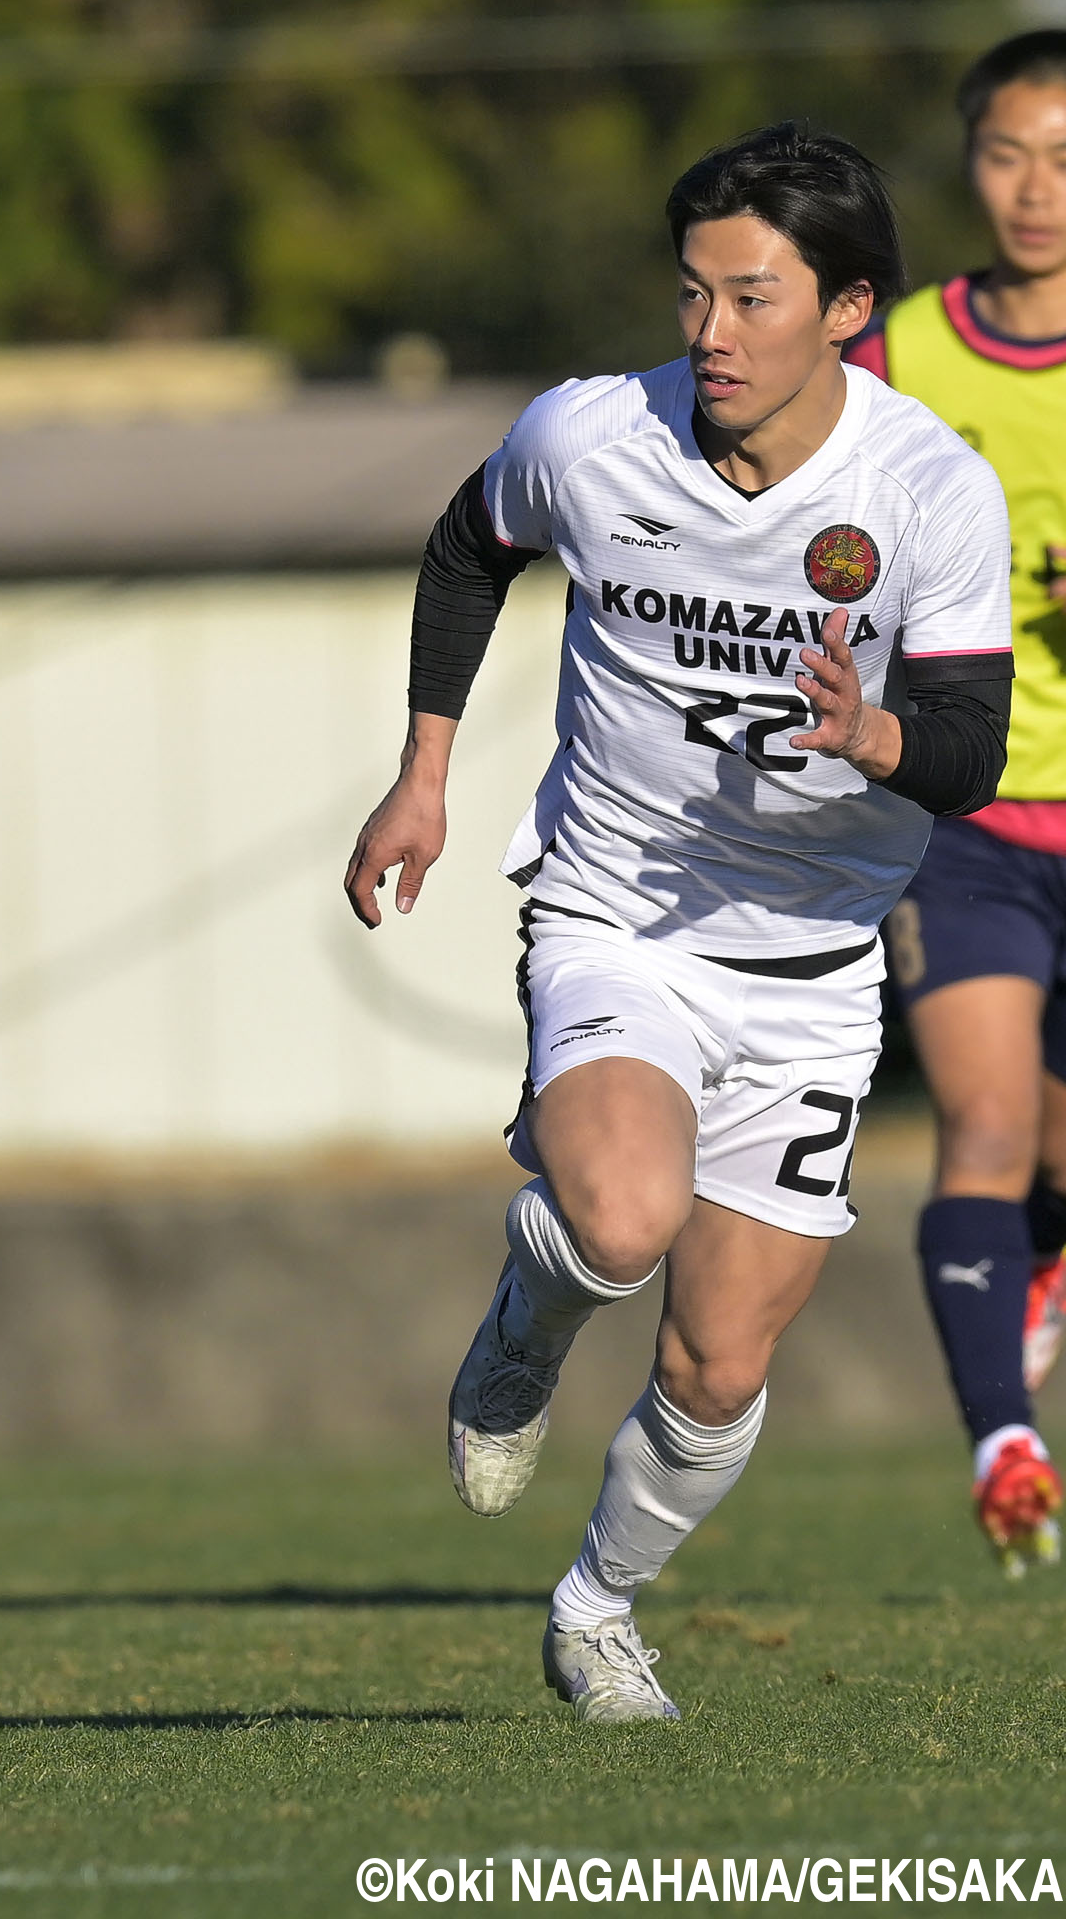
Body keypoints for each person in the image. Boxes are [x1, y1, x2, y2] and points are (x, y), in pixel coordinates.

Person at [345, 124, 1012, 1722]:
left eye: (752, 297)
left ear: (849, 309)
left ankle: (597, 1611)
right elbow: (467, 545)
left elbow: (975, 745)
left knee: (718, 1362)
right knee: (623, 1220)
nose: (710, 333)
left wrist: (879, 741)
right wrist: (422, 779)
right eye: (696, 293)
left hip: (815, 972)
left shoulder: (927, 487)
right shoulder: (594, 436)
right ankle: (528, 1318)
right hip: (619, 914)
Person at [847, 31, 1066, 1576]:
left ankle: (1043, 1259)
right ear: (968, 160)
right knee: (982, 1122)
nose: (1037, 190)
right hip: (971, 814)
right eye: (1008, 154)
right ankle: (1002, 1446)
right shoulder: (902, 357)